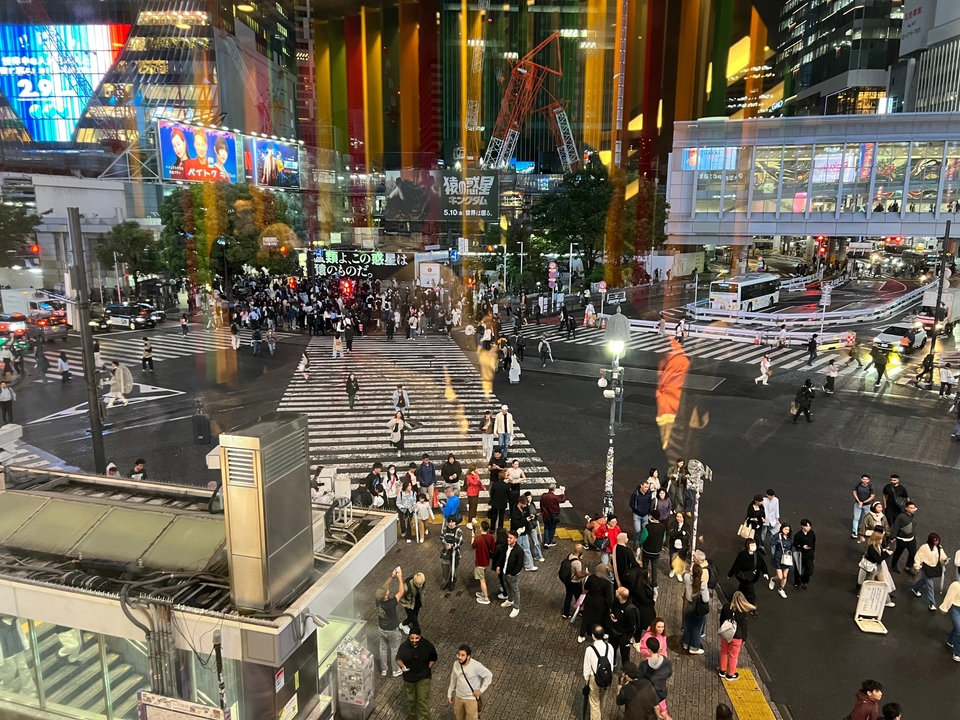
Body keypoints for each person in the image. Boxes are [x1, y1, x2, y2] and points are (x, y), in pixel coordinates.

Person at [395, 627, 437, 720]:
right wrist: (402, 666)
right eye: (412, 638)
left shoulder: (427, 645)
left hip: (423, 677)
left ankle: (424, 718)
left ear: (420, 637)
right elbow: (398, 659)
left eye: (416, 638)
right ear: (409, 637)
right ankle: (413, 717)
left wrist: (427, 669)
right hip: (409, 678)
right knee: (412, 700)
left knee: (422, 700)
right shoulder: (404, 646)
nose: (414, 641)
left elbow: (433, 658)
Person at [446, 644, 492, 720]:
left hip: (471, 699)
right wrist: (449, 694)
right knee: (459, 717)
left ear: (468, 656)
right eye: (459, 654)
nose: (459, 657)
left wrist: (481, 690)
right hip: (459, 697)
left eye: (462, 655)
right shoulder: (456, 664)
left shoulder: (476, 666)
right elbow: (453, 679)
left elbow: (489, 675)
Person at [717, 591, 754, 681]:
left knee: (724, 652)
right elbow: (744, 627)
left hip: (726, 634)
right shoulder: (742, 612)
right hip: (737, 637)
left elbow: (721, 619)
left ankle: (722, 670)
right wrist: (744, 638)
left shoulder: (726, 607)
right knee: (733, 656)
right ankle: (730, 674)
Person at [376, 568, 405, 677]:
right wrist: (399, 577)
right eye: (387, 591)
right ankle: (396, 670)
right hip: (392, 630)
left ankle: (384, 670)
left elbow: (385, 586)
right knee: (394, 650)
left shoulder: (378, 599)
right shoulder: (391, 603)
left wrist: (392, 576)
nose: (387, 589)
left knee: (382, 648)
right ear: (386, 596)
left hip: (381, 628)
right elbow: (401, 591)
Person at [582, 624, 614, 720]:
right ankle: (600, 714)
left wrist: (586, 680)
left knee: (594, 701)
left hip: (594, 678)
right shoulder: (610, 647)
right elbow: (611, 663)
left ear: (593, 635)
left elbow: (587, 668)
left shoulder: (590, 650)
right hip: (607, 677)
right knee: (602, 697)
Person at [911, 532, 948, 611]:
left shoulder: (939, 547)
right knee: (930, 586)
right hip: (926, 568)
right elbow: (918, 557)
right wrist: (917, 566)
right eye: (935, 541)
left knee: (924, 580)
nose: (937, 542)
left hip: (932, 568)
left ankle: (915, 588)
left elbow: (942, 556)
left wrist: (945, 559)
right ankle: (932, 604)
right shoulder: (924, 547)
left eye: (937, 540)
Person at [638, 637, 673, 720]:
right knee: (656, 705)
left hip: (649, 693)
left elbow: (640, 678)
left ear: (649, 649)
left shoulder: (644, 665)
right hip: (661, 691)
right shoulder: (666, 661)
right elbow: (669, 673)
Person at [727, 538, 767, 609]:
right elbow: (736, 565)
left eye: (754, 544)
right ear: (747, 545)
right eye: (751, 545)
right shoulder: (742, 555)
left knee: (742, 588)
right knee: (751, 593)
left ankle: (737, 599)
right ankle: (752, 607)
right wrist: (731, 574)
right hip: (745, 578)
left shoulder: (757, 554)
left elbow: (762, 564)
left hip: (752, 576)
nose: (753, 546)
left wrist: (765, 572)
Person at [579, 563, 614, 642]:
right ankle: (598, 634)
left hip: (590, 600)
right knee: (600, 618)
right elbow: (609, 597)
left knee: (586, 617)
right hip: (601, 603)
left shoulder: (591, 578)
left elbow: (586, 587)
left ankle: (581, 635)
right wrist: (612, 606)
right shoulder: (607, 583)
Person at [681, 563, 709, 654]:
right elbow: (705, 599)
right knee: (697, 627)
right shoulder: (703, 585)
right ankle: (694, 647)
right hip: (698, 608)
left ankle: (685, 643)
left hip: (689, 605)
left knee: (688, 624)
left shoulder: (686, 578)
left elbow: (685, 573)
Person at [608, 586, 641, 666]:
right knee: (612, 649)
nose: (615, 590)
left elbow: (632, 626)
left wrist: (628, 637)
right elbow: (612, 609)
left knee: (625, 653)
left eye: (617, 591)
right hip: (614, 632)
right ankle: (613, 662)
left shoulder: (630, 610)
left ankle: (625, 668)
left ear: (620, 596)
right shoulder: (616, 601)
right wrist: (611, 614)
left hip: (623, 635)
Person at [498, 530, 524, 618]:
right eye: (508, 537)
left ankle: (516, 607)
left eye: (510, 538)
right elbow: (502, 557)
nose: (508, 539)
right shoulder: (506, 546)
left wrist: (513, 574)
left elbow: (519, 564)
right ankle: (510, 599)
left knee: (515, 590)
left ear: (516, 539)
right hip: (505, 572)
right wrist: (499, 566)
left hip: (512, 575)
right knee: (507, 586)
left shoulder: (519, 551)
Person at [470, 521, 496, 604]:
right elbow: (493, 549)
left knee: (482, 580)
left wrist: (473, 536)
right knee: (483, 577)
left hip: (479, 562)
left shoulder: (478, 539)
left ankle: (486, 598)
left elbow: (472, 546)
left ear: (481, 528)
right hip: (486, 561)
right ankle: (483, 592)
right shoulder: (490, 538)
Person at [889, 501, 919, 573]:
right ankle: (893, 566)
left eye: (914, 508)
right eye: (911, 508)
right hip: (902, 539)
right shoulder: (901, 517)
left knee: (912, 552)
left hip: (911, 538)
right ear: (906, 508)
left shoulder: (912, 516)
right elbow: (896, 527)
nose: (913, 510)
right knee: (898, 552)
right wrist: (892, 537)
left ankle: (908, 566)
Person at [560, 544, 587, 619]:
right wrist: (585, 574)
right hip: (575, 582)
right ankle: (581, 611)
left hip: (568, 581)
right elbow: (579, 575)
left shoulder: (569, 556)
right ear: (580, 551)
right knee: (579, 597)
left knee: (568, 596)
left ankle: (566, 613)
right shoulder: (577, 563)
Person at [640, 510, 665, 587]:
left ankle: (645, 580)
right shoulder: (662, 527)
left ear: (652, 517)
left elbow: (643, 538)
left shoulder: (648, 527)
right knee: (654, 567)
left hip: (647, 550)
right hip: (656, 551)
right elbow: (664, 538)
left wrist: (639, 544)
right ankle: (654, 582)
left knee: (645, 566)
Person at [939, 574, 960, 662]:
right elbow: (949, 597)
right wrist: (944, 607)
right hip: (955, 609)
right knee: (959, 630)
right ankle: (957, 652)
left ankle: (951, 641)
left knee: (957, 628)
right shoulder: (955, 585)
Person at [769, 524, 793, 598]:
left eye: (788, 530)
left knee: (785, 576)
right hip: (778, 558)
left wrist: (791, 552)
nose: (787, 531)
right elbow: (772, 543)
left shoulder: (790, 538)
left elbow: (793, 546)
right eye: (785, 529)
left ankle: (781, 589)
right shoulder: (777, 536)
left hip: (787, 558)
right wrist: (778, 540)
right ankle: (773, 579)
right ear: (782, 529)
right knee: (780, 577)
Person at [440, 517, 463, 590]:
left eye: (453, 522)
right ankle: (445, 582)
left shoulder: (458, 530)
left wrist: (452, 545)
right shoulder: (444, 529)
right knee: (445, 568)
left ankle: (452, 582)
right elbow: (441, 538)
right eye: (449, 522)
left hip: (455, 553)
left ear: (455, 523)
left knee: (454, 569)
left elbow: (460, 541)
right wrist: (446, 544)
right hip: (445, 552)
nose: (451, 523)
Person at [665, 511, 689, 580]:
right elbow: (671, 533)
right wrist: (681, 533)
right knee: (673, 558)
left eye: (680, 517)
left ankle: (679, 573)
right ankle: (672, 569)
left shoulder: (686, 526)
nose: (678, 518)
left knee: (681, 560)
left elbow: (687, 536)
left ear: (683, 518)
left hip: (683, 547)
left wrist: (676, 535)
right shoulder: (673, 524)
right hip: (673, 546)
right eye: (677, 517)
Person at [630, 481, 655, 546]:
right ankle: (636, 542)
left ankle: (642, 543)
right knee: (637, 530)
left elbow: (650, 502)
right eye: (645, 487)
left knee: (645, 530)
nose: (646, 489)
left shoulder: (649, 493)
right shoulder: (635, 494)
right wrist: (637, 510)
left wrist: (648, 510)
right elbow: (631, 504)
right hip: (637, 515)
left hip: (645, 515)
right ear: (641, 485)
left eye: (647, 487)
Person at [793, 520, 816, 588]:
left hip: (809, 555)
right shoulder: (798, 535)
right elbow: (795, 544)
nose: (809, 528)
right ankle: (797, 583)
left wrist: (812, 551)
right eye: (807, 526)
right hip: (801, 554)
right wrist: (801, 546)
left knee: (809, 570)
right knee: (798, 569)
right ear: (802, 526)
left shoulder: (812, 533)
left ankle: (804, 581)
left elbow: (813, 542)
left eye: (809, 526)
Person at [853, 475, 876, 540]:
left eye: (866, 479)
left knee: (864, 518)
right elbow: (854, 492)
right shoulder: (858, 485)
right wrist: (859, 501)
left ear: (868, 480)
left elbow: (872, 496)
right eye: (863, 479)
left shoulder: (871, 487)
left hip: (867, 505)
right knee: (856, 518)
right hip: (857, 504)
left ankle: (861, 528)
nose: (865, 480)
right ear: (861, 479)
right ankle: (855, 532)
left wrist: (863, 502)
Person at [487, 466, 509, 532]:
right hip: (503, 502)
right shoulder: (506, 485)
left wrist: (492, 499)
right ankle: (500, 528)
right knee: (501, 516)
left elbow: (492, 493)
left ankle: (492, 528)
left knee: (494, 515)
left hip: (495, 502)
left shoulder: (495, 484)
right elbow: (508, 494)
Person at [760, 488, 781, 552]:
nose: (772, 497)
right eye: (771, 496)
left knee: (772, 533)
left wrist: (777, 519)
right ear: (767, 495)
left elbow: (776, 509)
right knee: (763, 533)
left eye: (773, 496)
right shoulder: (763, 500)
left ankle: (771, 546)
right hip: (765, 519)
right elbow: (761, 510)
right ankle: (762, 545)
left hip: (772, 519)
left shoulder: (776, 500)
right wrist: (761, 518)